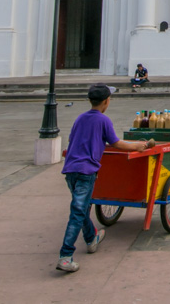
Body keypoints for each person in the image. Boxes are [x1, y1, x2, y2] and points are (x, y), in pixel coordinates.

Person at [57, 84, 154, 273]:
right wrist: (137, 146)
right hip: (86, 172)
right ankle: (66, 255)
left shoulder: (80, 118)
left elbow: (72, 140)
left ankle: (92, 238)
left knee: (82, 207)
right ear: (106, 101)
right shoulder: (103, 120)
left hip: (70, 170)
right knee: (78, 211)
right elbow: (116, 142)